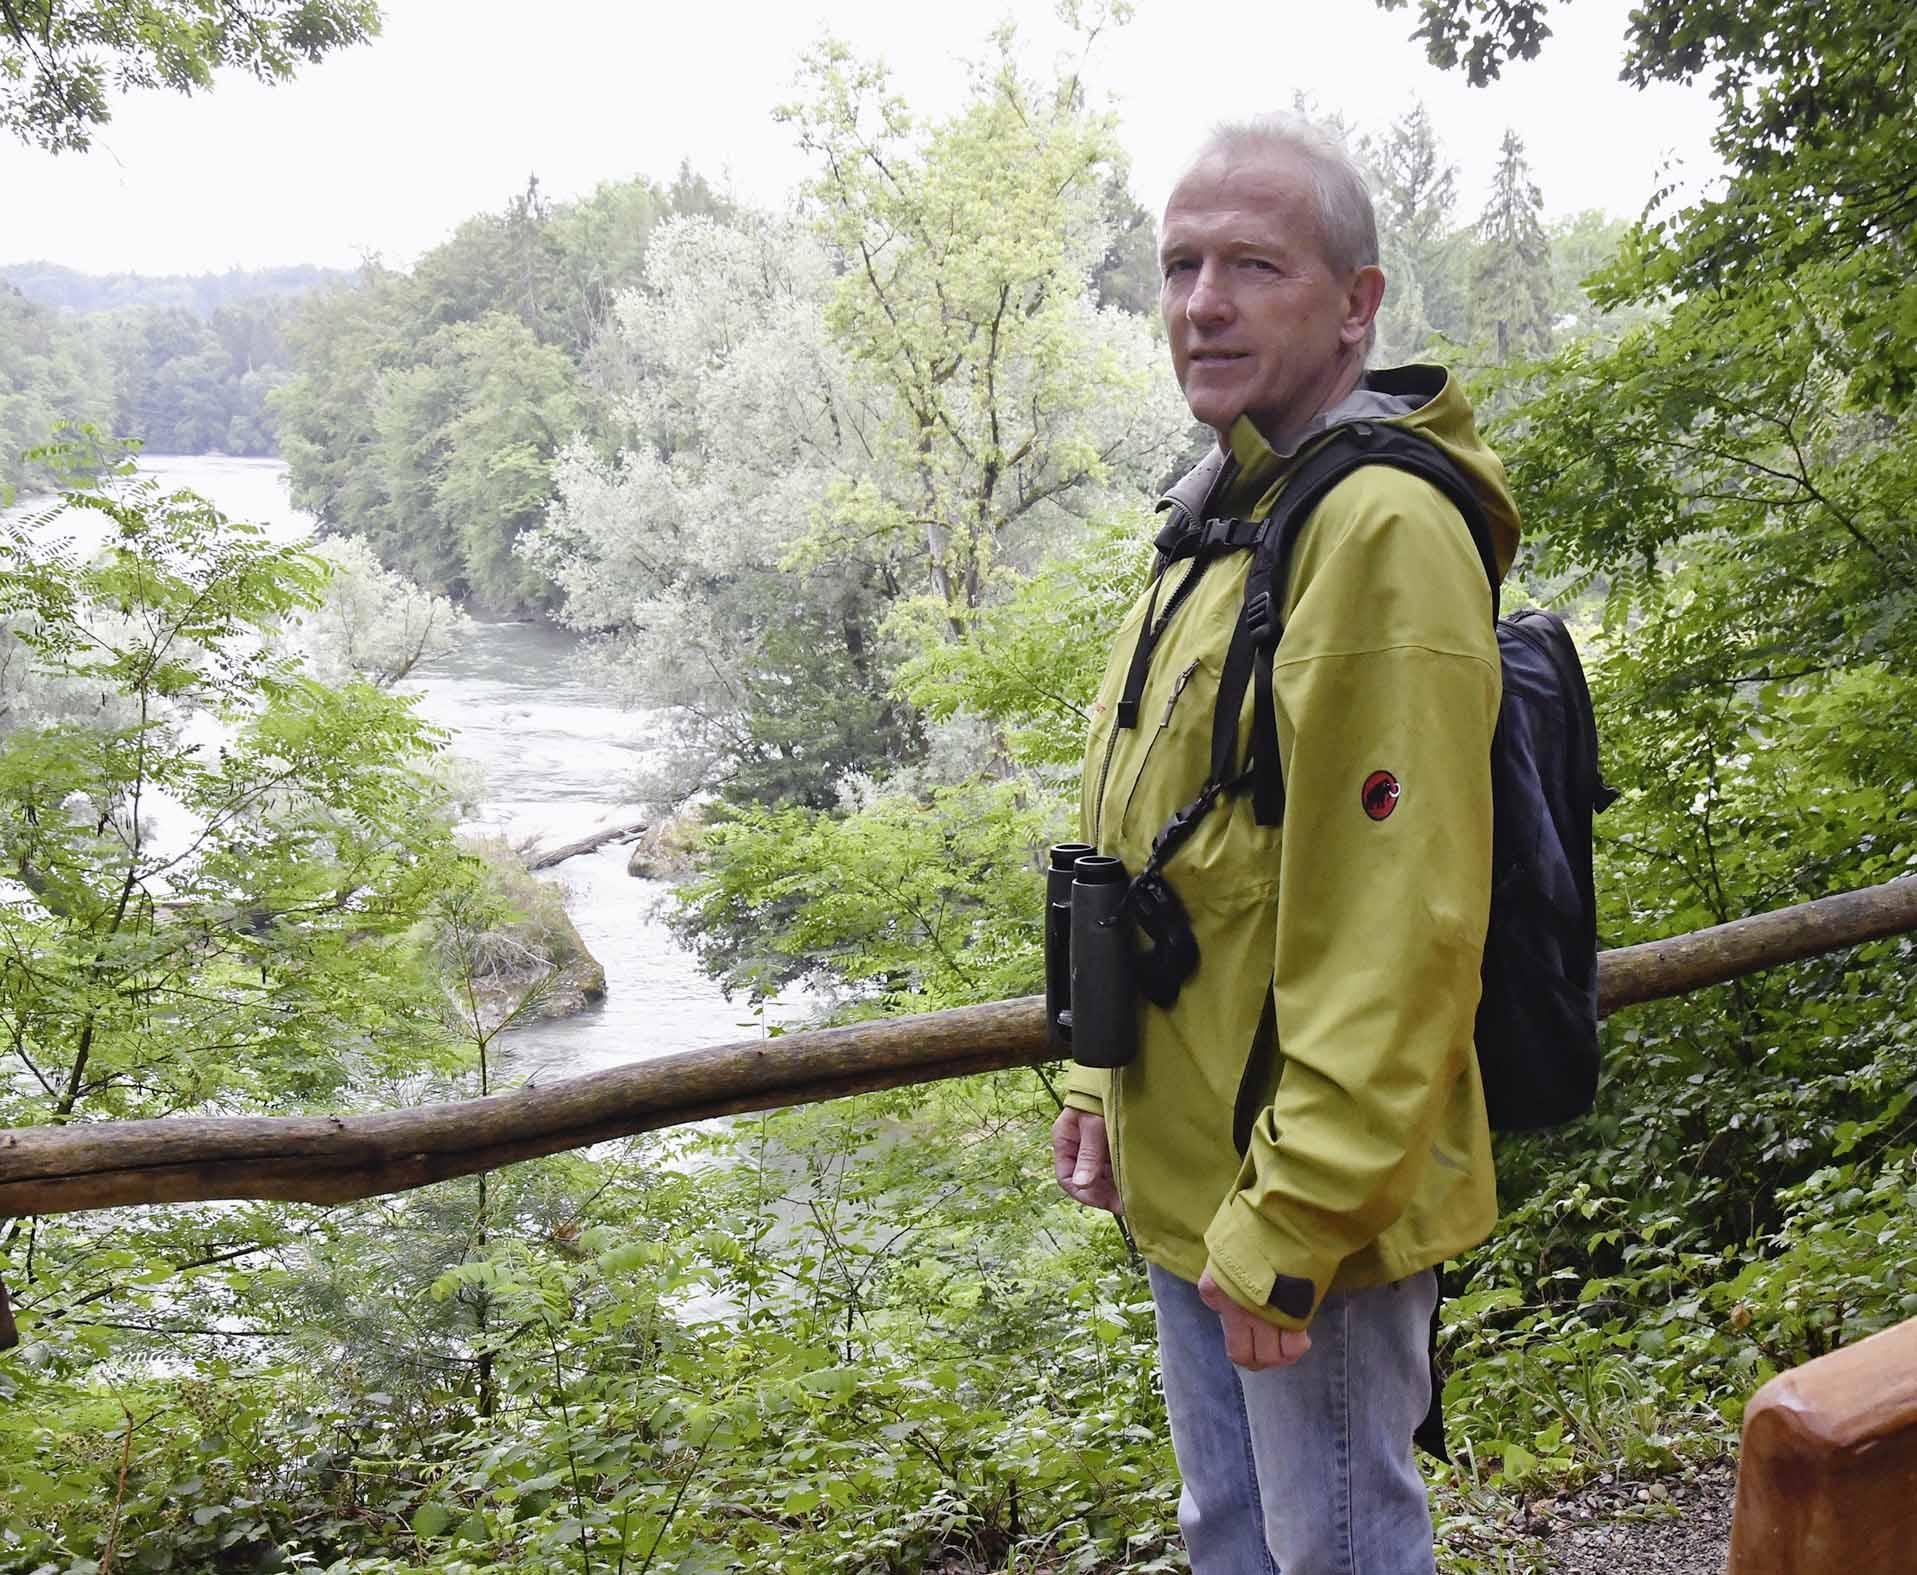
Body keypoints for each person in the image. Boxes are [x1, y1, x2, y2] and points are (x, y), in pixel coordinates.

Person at [1050, 115, 1519, 1575]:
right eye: (1181, 265)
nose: (1202, 301)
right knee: (1234, 1536)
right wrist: (1093, 1069)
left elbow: (1401, 922)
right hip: (1192, 1169)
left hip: (1300, 1193)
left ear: (1355, 302)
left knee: (1335, 1549)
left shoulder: (1374, 530)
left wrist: (1297, 1215)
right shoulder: (1223, 516)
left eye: (1253, 265)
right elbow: (1156, 842)